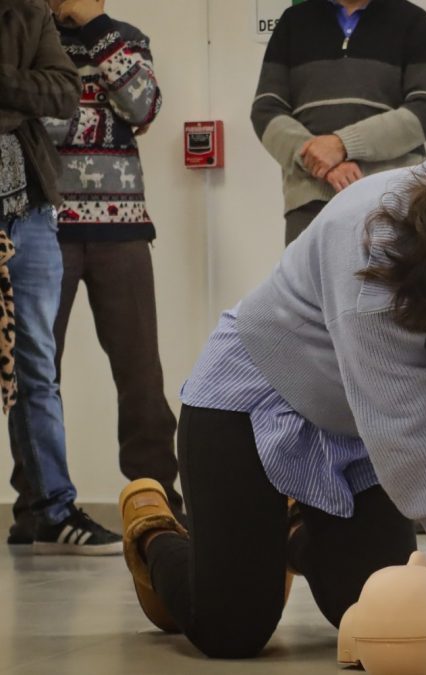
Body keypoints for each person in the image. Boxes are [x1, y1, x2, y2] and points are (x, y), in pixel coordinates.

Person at [116, 156, 426, 658]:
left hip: (353, 426)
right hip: (252, 401)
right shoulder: (373, 240)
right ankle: (154, 531)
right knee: (231, 631)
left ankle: (289, 528)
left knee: (371, 615)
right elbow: (403, 420)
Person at [8, 0, 182, 544]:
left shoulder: (124, 37)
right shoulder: (26, 33)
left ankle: (156, 500)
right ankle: (38, 506)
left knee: (140, 376)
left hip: (122, 228)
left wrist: (98, 29)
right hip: (42, 220)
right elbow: (33, 121)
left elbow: (144, 107)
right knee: (37, 373)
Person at [2, 0, 122, 554]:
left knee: (36, 368)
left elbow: (63, 93)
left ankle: (52, 509)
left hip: (28, 215)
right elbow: (36, 93)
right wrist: (19, 92)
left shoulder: (29, 12)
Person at [251, 0, 426, 244]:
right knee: (312, 283)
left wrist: (342, 144)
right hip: (310, 204)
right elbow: (265, 110)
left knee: (396, 283)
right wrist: (322, 163)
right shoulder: (292, 22)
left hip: (393, 198)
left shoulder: (414, 21)